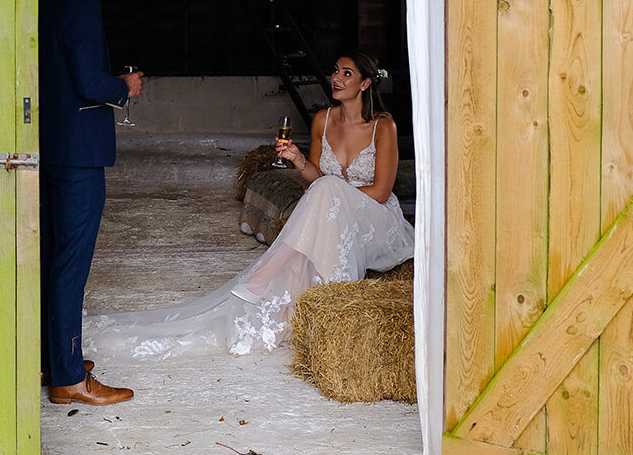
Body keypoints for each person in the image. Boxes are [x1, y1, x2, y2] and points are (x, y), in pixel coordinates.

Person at [84, 52, 414, 362]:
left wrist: (338, 195)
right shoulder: (321, 120)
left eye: (347, 73)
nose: (336, 78)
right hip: (335, 213)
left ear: (366, 83)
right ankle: (313, 310)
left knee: (328, 189)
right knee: (325, 190)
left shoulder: (383, 126)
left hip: (375, 220)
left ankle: (264, 274)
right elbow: (315, 178)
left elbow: (382, 192)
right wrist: (298, 159)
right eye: (334, 71)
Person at [39, 0, 145, 405]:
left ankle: (54, 359)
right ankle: (69, 380)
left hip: (44, 145)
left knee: (49, 258)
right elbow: (88, 81)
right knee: (70, 265)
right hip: (79, 152)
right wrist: (124, 85)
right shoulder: (80, 0)